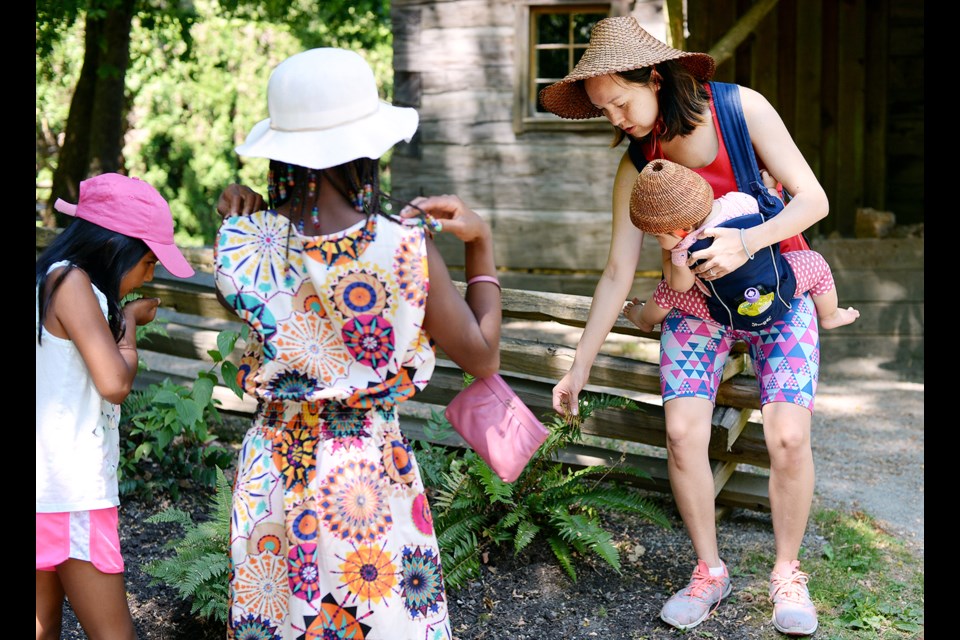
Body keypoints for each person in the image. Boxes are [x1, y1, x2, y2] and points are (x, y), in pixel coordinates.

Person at [540, 16, 825, 636]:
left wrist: (744, 241)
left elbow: (813, 200)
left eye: (619, 102)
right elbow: (618, 272)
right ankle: (708, 571)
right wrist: (579, 366)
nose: (616, 120)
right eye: (603, 110)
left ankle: (786, 572)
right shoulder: (637, 164)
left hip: (777, 286)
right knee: (680, 433)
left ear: (654, 77)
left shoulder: (742, 110)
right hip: (694, 303)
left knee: (789, 439)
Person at [213, 48, 501, 639]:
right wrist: (481, 243)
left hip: (274, 469)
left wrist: (247, 211)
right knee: (377, 612)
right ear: (367, 149)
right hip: (364, 471)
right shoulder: (404, 248)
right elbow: (482, 357)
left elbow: (288, 290)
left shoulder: (239, 242)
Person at [36, 173, 196, 640]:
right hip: (72, 497)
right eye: (147, 262)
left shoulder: (53, 277)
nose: (150, 275)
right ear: (115, 247)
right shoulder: (74, 282)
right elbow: (114, 383)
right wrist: (127, 322)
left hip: (48, 490)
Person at [623, 158, 859, 333]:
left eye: (657, 236)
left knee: (667, 291)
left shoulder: (686, 247)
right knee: (816, 263)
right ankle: (829, 314)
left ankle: (644, 319)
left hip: (728, 314)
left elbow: (680, 286)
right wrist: (768, 189)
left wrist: (672, 253)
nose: (658, 241)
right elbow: (776, 213)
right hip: (780, 291)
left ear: (676, 230)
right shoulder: (740, 202)